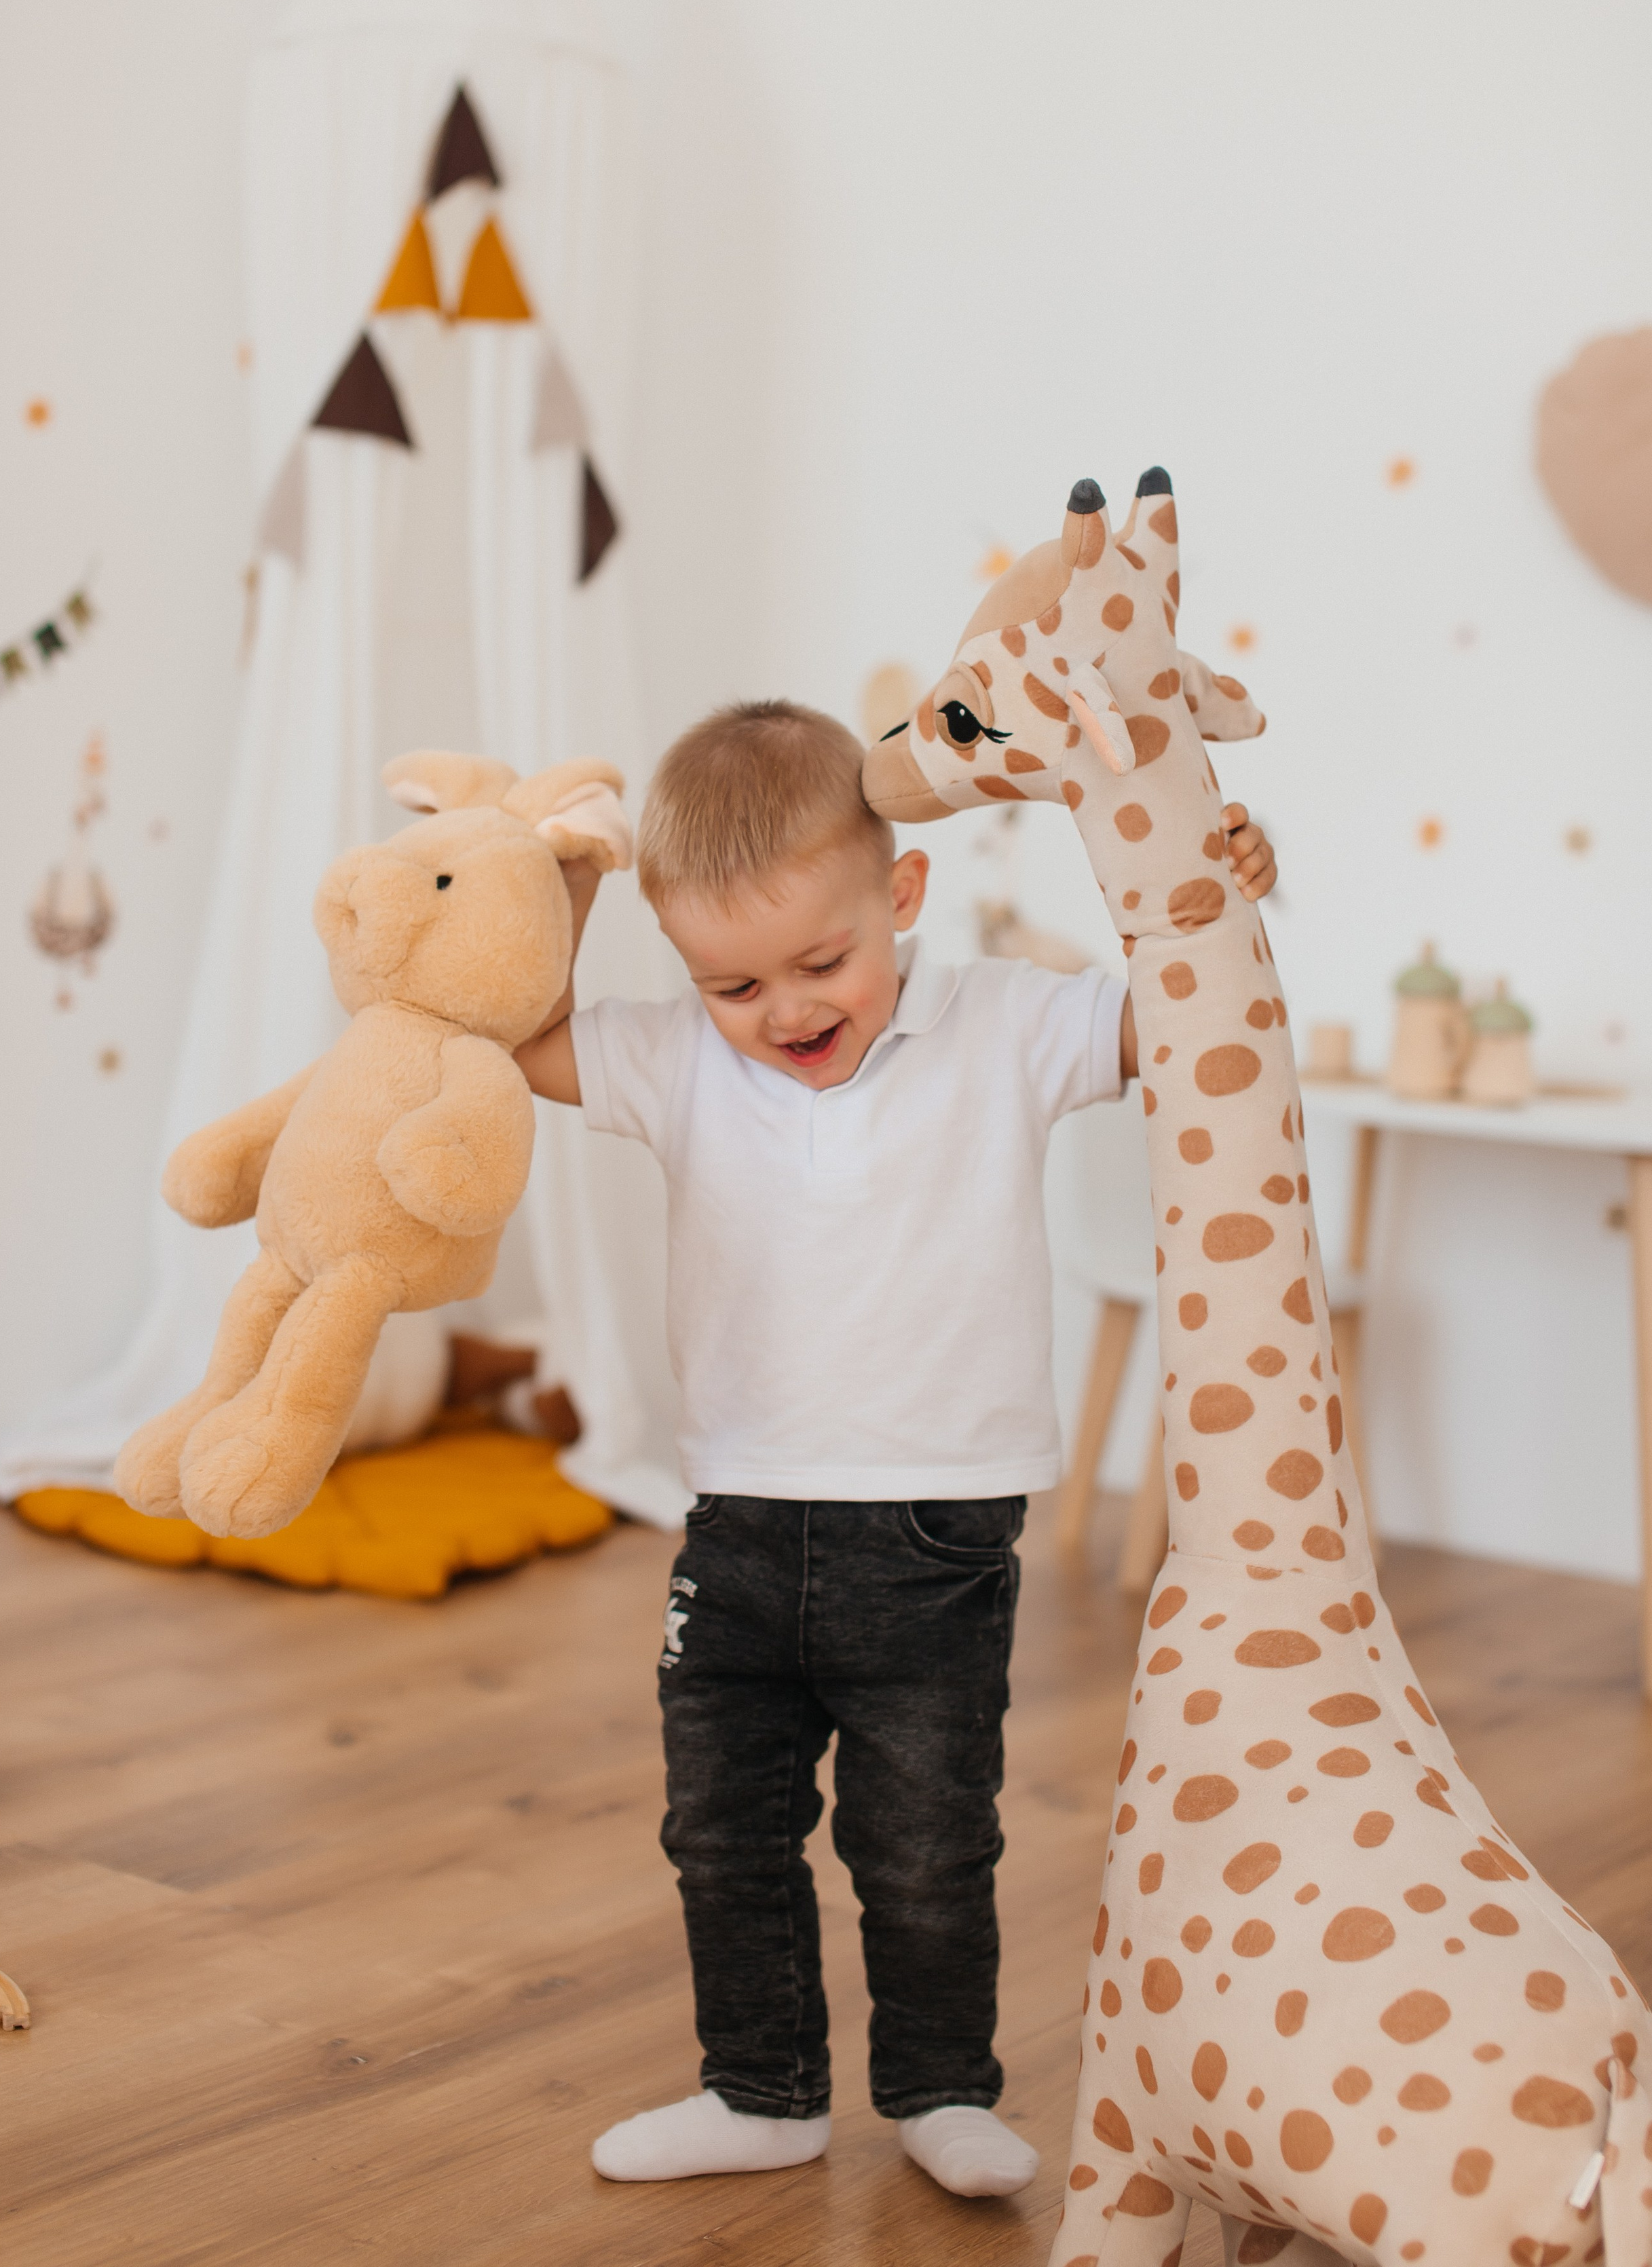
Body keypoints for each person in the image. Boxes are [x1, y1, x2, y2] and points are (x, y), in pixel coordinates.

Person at [517, 699, 1277, 2200]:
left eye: (821, 963)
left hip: (932, 1541)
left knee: (925, 1847)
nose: (785, 1010)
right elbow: (525, 1038)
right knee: (719, 1836)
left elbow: (1177, 1020)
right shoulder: (678, 1062)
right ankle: (761, 2091)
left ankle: (937, 2089)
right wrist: (576, 879)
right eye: (730, 982)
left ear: (902, 899)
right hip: (734, 1531)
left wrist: (1222, 889)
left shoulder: (1002, 1022)